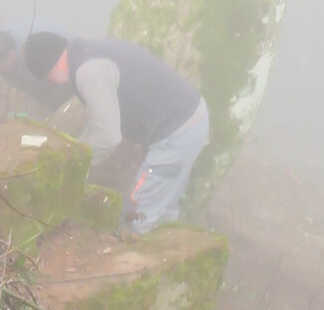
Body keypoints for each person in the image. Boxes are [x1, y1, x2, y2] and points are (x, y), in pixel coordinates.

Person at [15, 28, 210, 233]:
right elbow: (98, 124)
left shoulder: (88, 73)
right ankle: (170, 243)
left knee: (138, 214)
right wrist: (75, 147)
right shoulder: (88, 52)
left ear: (54, 64)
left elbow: (108, 136)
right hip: (189, 117)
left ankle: (137, 247)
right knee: (164, 207)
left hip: (176, 133)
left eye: (46, 76)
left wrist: (76, 163)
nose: (49, 82)